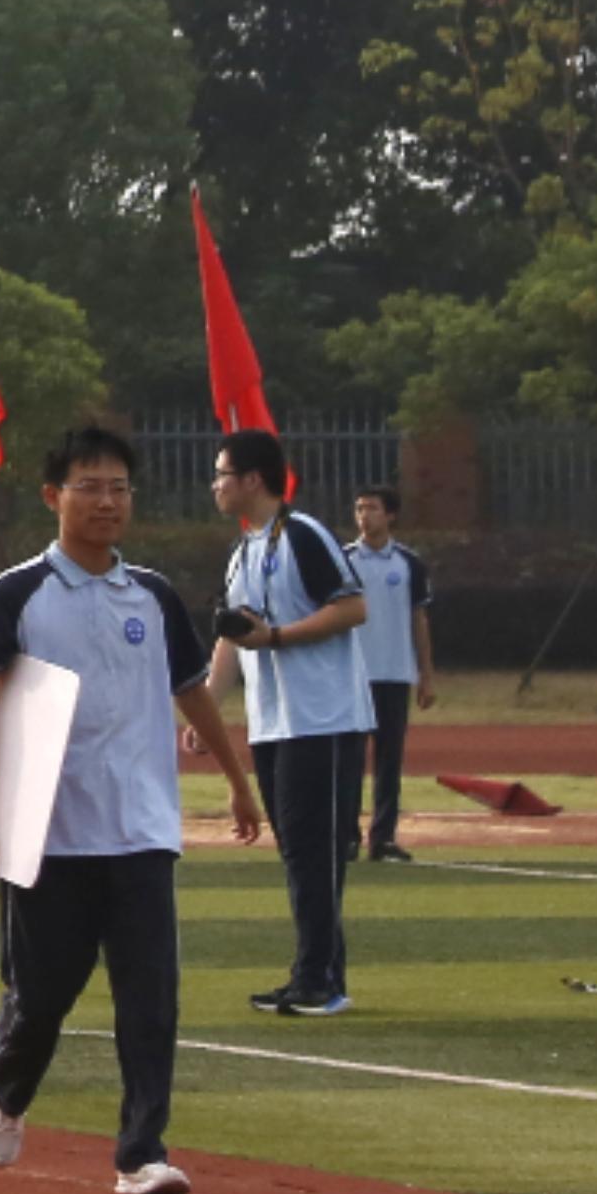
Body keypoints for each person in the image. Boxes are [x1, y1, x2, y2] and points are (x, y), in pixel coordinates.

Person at [0, 423, 264, 1194]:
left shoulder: (153, 596)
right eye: (89, 487)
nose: (106, 502)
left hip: (140, 829)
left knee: (150, 995)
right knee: (44, 994)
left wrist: (236, 778)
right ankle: (6, 1086)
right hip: (49, 833)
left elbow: (192, 688)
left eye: (119, 488)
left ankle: (141, 1151)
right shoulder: (18, 593)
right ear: (52, 496)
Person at [205, 430, 368, 1016]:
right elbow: (233, 639)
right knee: (298, 850)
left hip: (323, 718)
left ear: (253, 479)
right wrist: (209, 706)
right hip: (273, 722)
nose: (216, 485)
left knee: (314, 850)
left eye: (223, 474)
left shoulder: (304, 535)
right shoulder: (243, 550)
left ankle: (317, 978)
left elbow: (352, 607)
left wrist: (276, 637)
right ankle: (320, 971)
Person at [344, 487, 434, 862]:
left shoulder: (408, 563)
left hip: (394, 672)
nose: (365, 516)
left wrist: (426, 673)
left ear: (390, 515)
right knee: (348, 759)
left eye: (373, 509)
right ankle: (345, 836)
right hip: (352, 674)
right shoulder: (343, 560)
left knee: (389, 760)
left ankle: (382, 837)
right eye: (360, 508)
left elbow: (418, 618)